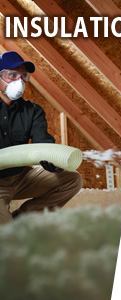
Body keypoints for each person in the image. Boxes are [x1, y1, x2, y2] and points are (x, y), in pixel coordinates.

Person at [0, 51, 82, 224]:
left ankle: (22, 220)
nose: (19, 81)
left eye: (23, 76)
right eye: (12, 75)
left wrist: (53, 161)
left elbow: (42, 142)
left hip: (21, 177)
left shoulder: (32, 111)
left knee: (72, 180)